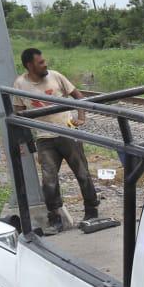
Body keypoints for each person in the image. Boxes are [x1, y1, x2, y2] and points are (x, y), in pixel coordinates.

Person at [12, 47, 98, 230]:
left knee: (82, 173)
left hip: (67, 132)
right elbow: (18, 114)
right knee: (49, 180)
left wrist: (81, 117)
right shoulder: (20, 84)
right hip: (44, 138)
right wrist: (21, 141)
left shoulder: (56, 76)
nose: (45, 65)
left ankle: (92, 211)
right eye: (40, 62)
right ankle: (55, 217)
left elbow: (77, 95)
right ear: (29, 65)